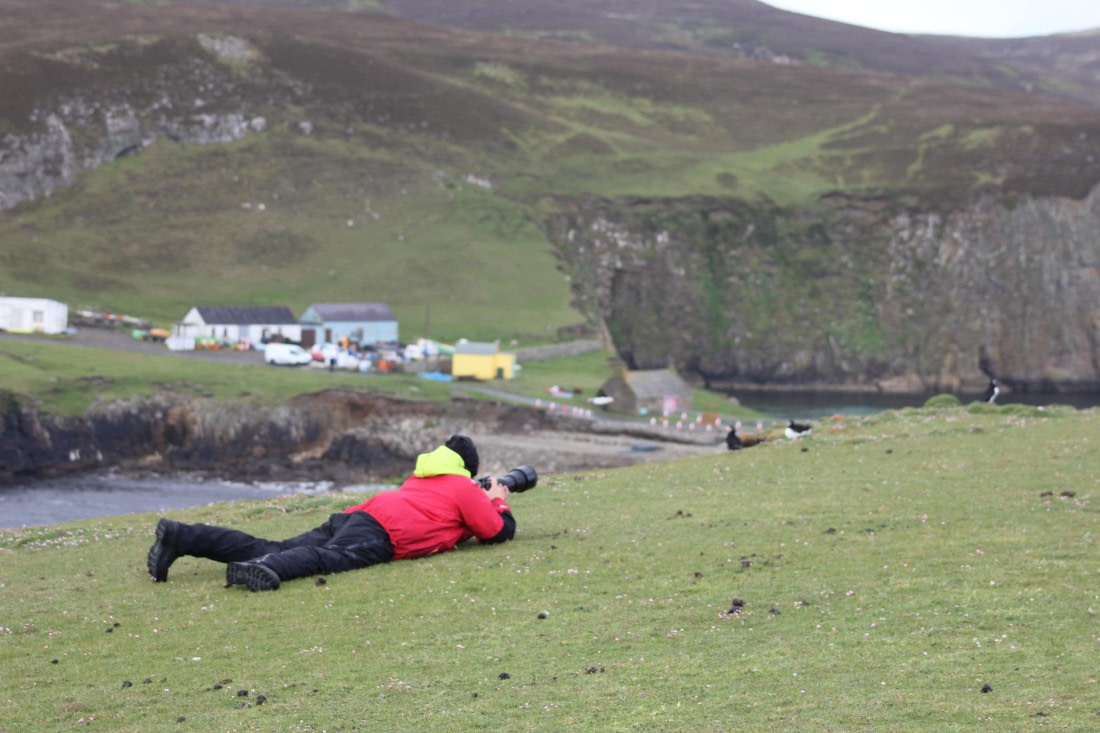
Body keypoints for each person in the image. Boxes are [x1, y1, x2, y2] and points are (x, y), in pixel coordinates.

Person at [146, 435, 515, 591]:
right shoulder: (463, 486)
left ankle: (183, 536)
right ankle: (269, 567)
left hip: (359, 515)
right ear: (467, 468)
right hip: (384, 534)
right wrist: (498, 498)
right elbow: (496, 532)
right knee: (328, 558)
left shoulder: (423, 476)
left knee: (276, 543)